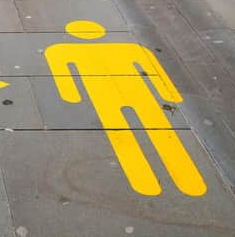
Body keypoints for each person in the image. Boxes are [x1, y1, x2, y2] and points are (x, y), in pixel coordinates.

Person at [45, 20, 206, 196]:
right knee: (160, 132)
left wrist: (72, 96)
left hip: (103, 96)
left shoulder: (61, 50)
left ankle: (144, 180)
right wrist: (170, 95)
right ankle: (186, 178)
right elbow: (154, 73)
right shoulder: (132, 49)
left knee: (121, 134)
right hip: (141, 95)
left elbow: (64, 78)